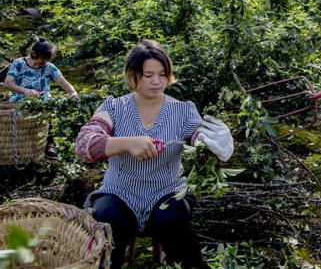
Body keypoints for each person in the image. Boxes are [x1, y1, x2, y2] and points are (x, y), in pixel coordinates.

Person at [75, 40, 207, 269]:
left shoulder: (183, 111)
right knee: (106, 221)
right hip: (120, 191)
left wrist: (211, 140)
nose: (157, 82)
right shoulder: (114, 108)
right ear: (133, 75)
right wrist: (126, 143)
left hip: (167, 190)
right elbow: (85, 145)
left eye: (163, 74)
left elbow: (199, 136)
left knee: (174, 220)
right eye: (148, 75)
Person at [3, 38, 78, 158]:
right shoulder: (19, 63)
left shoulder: (49, 67)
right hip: (20, 98)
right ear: (33, 54)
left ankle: (50, 144)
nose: (38, 65)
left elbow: (64, 83)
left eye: (42, 63)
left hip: (43, 99)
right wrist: (25, 91)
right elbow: (8, 83)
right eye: (37, 61)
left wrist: (73, 93)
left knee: (48, 109)